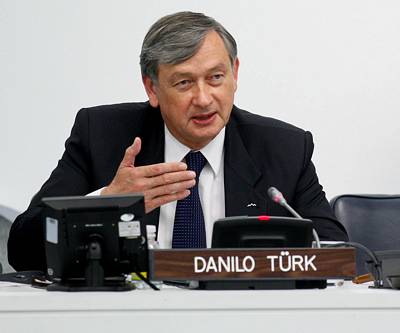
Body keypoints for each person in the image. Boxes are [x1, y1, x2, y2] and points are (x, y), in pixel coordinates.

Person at [8, 11, 348, 272]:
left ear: (236, 73)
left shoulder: (283, 148)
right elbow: (23, 249)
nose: (203, 98)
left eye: (216, 78)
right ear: (152, 88)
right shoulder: (102, 135)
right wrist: (109, 201)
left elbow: (338, 254)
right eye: (184, 83)